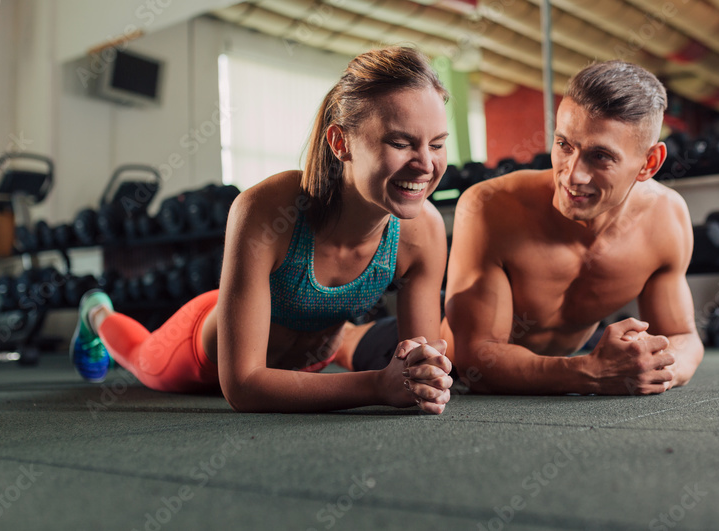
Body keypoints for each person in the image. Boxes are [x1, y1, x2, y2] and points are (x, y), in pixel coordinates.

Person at [69, 47, 454, 413]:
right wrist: (375, 386)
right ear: (340, 142)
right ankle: (97, 313)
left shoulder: (423, 232)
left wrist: (423, 379)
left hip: (305, 371)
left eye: (437, 144)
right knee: (139, 354)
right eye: (402, 143)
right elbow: (243, 385)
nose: (425, 164)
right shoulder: (269, 209)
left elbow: (423, 365)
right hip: (202, 361)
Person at [342, 60, 703, 395]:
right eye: (564, 144)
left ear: (649, 163)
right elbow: (474, 360)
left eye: (601, 156)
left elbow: (682, 336)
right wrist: (588, 372)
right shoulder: (493, 206)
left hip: (561, 359)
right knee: (341, 343)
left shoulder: (666, 220)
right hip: (439, 352)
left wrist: (658, 370)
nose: (572, 175)